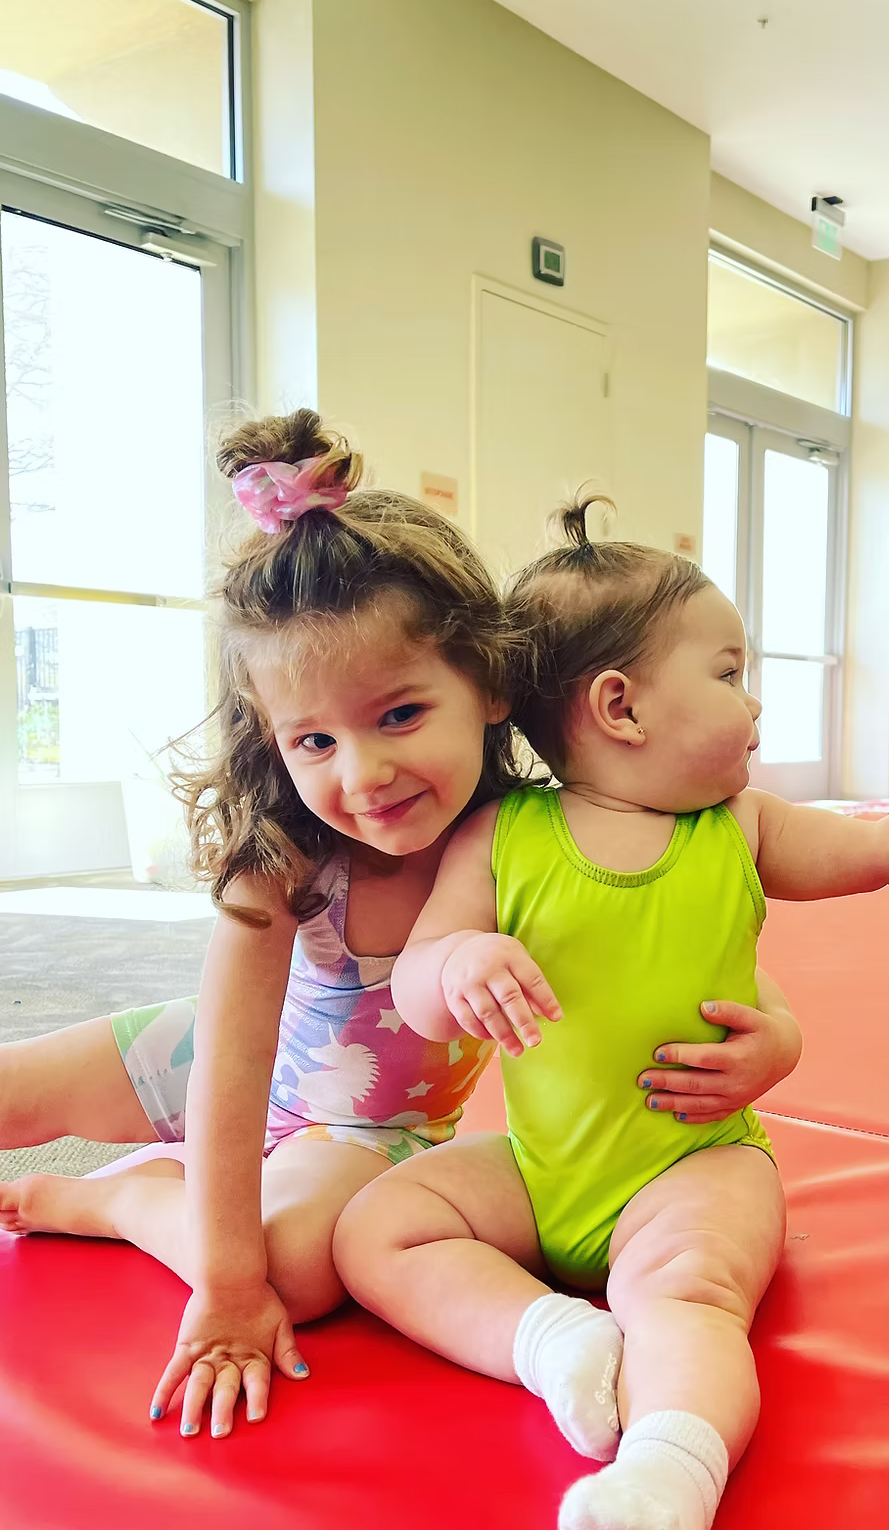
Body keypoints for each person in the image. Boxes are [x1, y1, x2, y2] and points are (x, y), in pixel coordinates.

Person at [332, 500, 889, 1530]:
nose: (753, 703)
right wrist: (459, 966)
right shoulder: (498, 835)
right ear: (617, 706)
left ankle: (670, 1472)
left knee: (692, 1296)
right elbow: (421, 989)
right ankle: (550, 1343)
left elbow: (885, 850)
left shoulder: (740, 828)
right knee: (378, 1228)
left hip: (695, 1164)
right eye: (727, 673)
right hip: (541, 1166)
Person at [0, 413, 802, 1440]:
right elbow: (232, 1066)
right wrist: (221, 1285)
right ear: (272, 738)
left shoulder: (528, 838)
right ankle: (168, 1189)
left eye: (399, 717)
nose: (362, 775)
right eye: (315, 739)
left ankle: (117, 1201)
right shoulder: (286, 853)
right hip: (207, 1049)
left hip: (365, 1122)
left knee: (293, 1266)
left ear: (487, 682)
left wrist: (773, 1036)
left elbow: (694, 951)